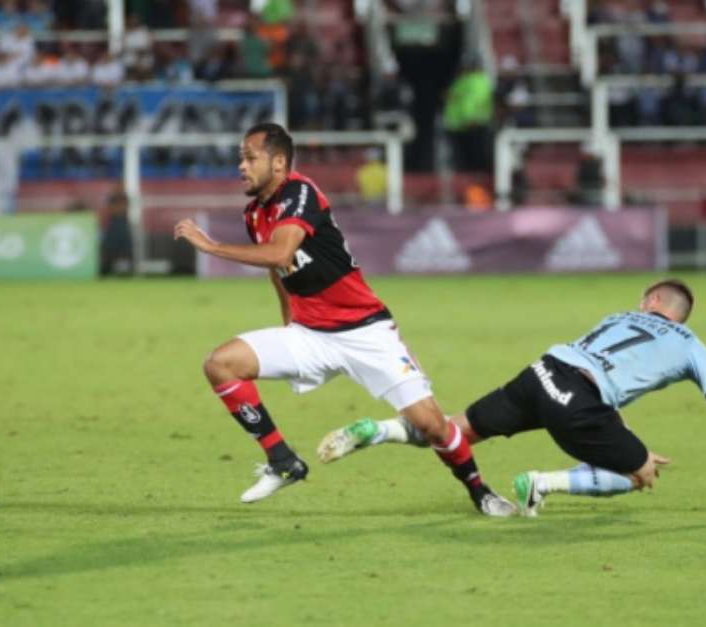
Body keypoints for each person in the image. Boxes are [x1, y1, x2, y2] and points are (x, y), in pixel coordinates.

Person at [173, 123, 513, 516]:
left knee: (433, 427)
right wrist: (289, 320)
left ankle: (480, 491)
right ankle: (283, 461)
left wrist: (211, 247)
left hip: (366, 332)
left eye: (250, 157)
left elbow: (280, 254)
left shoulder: (299, 193)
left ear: (279, 162)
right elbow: (278, 270)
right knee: (221, 364)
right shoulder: (254, 213)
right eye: (240, 158)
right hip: (311, 335)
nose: (241, 166)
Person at [318, 279, 706, 516]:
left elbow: (599, 374)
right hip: (578, 398)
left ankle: (377, 429)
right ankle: (541, 484)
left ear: (653, 301)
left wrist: (621, 436)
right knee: (641, 474)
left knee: (451, 431)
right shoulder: (694, 346)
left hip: (542, 372)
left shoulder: (617, 317)